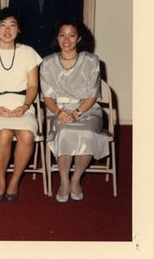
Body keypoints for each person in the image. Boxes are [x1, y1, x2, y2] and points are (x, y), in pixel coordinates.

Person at [0, 7, 42, 202]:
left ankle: (14, 180)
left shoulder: (29, 53)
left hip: (23, 105)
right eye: (2, 25)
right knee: (4, 134)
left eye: (12, 25)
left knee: (27, 135)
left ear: (19, 29)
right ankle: (1, 180)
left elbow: (32, 85)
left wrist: (25, 105)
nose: (7, 30)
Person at [40, 20, 109, 202]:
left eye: (71, 35)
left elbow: (93, 95)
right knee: (64, 132)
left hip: (87, 110)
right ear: (57, 37)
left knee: (86, 133)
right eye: (62, 35)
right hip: (59, 110)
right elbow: (47, 97)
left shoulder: (91, 61)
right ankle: (64, 181)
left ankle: (76, 179)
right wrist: (60, 113)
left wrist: (76, 113)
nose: (66, 40)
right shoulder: (47, 63)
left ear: (79, 38)